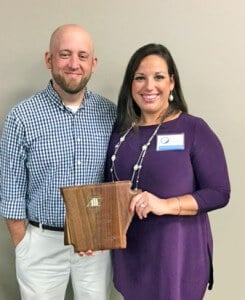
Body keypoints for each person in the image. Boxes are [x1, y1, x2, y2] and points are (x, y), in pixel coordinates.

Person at [105, 43, 230, 300]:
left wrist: (164, 204)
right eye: (140, 78)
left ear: (172, 83)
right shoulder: (120, 133)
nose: (149, 86)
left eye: (159, 77)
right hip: (132, 254)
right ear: (130, 85)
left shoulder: (194, 129)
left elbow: (219, 192)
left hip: (177, 255)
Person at [0, 24, 116, 300]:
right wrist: (23, 245)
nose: (74, 64)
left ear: (93, 63)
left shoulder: (110, 114)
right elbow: (11, 189)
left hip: (95, 245)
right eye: (64, 54)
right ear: (49, 59)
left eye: (82, 56)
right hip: (41, 243)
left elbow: (118, 179)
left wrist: (102, 230)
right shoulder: (22, 117)